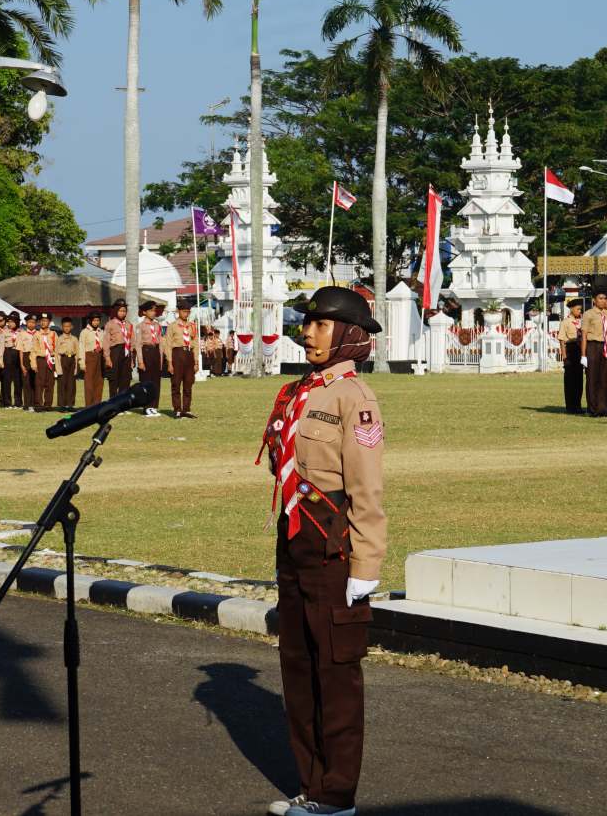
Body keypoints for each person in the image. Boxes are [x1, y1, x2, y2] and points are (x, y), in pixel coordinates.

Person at [262, 286, 385, 816]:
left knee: (335, 671)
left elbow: (367, 488)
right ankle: (311, 787)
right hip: (295, 536)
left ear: (349, 336)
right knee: (297, 664)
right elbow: (280, 461)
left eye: (319, 324)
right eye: (306, 323)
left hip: (334, 542)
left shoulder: (354, 400)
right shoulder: (298, 392)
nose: (307, 332)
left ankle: (336, 795)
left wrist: (367, 563)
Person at [580, 288, 607, 417]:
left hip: (605, 347)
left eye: (605, 298)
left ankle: (603, 407)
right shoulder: (588, 314)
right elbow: (584, 335)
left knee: (604, 378)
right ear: (594, 300)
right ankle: (592, 408)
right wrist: (583, 355)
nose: (603, 301)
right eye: (600, 298)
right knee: (593, 378)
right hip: (593, 346)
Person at [165, 304, 201, 418]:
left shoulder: (192, 326)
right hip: (177, 354)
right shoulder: (172, 326)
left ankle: (186, 409)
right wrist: (169, 362)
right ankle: (177, 409)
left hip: (189, 355)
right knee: (176, 383)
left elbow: (195, 344)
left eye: (188, 311)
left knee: (188, 383)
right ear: (178, 311)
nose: (186, 314)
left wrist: (196, 362)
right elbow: (168, 345)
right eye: (184, 311)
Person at [134, 300, 164, 417]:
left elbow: (161, 342)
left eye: (154, 311)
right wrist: (140, 361)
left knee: (156, 381)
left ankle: (154, 406)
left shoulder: (157, 325)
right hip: (146, 351)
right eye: (151, 310)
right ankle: (146, 407)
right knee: (146, 380)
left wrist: (161, 358)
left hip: (155, 351)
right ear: (144, 312)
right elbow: (138, 344)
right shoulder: (140, 326)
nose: (153, 313)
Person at [557, 299, 583, 414]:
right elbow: (562, 340)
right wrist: (565, 357)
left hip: (579, 350)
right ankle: (570, 406)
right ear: (571, 309)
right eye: (577, 309)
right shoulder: (566, 322)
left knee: (579, 380)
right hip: (570, 349)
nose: (579, 311)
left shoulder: (581, 322)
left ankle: (578, 405)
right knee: (570, 380)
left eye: (580, 309)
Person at [104, 299, 133, 397]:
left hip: (127, 352)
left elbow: (132, 341)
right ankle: (113, 404)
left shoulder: (129, 324)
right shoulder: (110, 324)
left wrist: (132, 358)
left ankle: (122, 404)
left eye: (124, 311)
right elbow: (106, 342)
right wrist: (107, 358)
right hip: (115, 352)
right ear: (116, 311)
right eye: (120, 311)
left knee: (125, 379)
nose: (122, 313)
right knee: (114, 379)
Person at [33, 313, 58, 411]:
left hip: (51, 360)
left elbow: (57, 347)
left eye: (46, 321)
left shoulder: (53, 334)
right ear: (39, 322)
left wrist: (53, 353)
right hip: (41, 360)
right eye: (42, 321)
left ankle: (48, 404)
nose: (43, 323)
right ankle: (38, 404)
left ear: (49, 322)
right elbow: (33, 350)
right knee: (39, 383)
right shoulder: (36, 334)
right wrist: (34, 364)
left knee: (50, 383)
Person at [79, 312, 105, 407]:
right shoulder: (84, 332)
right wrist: (82, 363)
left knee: (99, 381)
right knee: (89, 383)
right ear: (90, 321)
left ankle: (97, 404)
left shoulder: (101, 332)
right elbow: (81, 347)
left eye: (98, 320)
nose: (96, 322)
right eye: (94, 320)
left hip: (100, 357)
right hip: (89, 357)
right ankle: (89, 405)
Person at [56, 317, 79, 411]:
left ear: (72, 327)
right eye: (65, 326)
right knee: (62, 383)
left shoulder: (74, 339)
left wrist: (76, 367)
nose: (67, 328)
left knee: (71, 384)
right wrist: (58, 368)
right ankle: (62, 405)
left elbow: (77, 353)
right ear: (62, 327)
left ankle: (70, 404)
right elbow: (56, 353)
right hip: (63, 359)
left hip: (72, 360)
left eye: (68, 326)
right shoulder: (60, 338)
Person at [16, 314, 38, 411]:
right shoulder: (21, 334)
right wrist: (21, 364)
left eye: (33, 322)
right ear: (26, 323)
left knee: (35, 381)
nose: (31, 324)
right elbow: (20, 350)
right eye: (29, 322)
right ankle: (27, 404)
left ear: (35, 323)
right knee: (26, 381)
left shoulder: (38, 334)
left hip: (35, 357)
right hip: (25, 356)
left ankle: (34, 403)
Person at [1, 313, 21, 409]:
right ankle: (7, 402)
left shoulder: (21, 332)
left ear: (17, 322)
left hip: (18, 353)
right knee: (7, 380)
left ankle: (18, 402)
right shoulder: (5, 332)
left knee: (18, 380)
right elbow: (1, 346)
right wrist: (0, 359)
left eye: (12, 322)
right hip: (8, 353)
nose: (10, 324)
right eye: (9, 322)